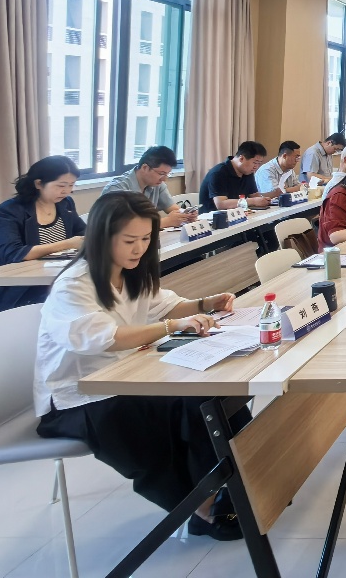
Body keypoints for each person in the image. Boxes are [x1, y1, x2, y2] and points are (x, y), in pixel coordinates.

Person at [34, 191, 246, 540]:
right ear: (102, 237)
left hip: (124, 377)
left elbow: (166, 306)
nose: (139, 249)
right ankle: (201, 509)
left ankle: (235, 481)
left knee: (208, 398)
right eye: (129, 240)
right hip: (79, 398)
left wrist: (208, 303)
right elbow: (107, 338)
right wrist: (171, 326)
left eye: (146, 239)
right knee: (153, 419)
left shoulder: (130, 272)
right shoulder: (73, 285)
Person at [0, 156, 87, 323]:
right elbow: (14, 253)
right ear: (38, 184)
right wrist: (67, 244)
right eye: (61, 186)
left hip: (48, 279)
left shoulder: (65, 204)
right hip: (7, 287)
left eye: (71, 185)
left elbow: (83, 233)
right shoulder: (8, 211)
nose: (67, 191)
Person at [102, 146, 196, 229]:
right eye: (161, 173)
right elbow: (124, 226)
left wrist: (186, 215)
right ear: (145, 168)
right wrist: (166, 221)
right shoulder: (117, 189)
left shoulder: (157, 184)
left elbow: (172, 208)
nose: (164, 179)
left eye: (167, 174)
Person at [198, 141, 274, 212]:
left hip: (238, 215)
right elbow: (221, 204)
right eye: (255, 163)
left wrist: (263, 200)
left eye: (259, 163)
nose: (256, 167)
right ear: (241, 158)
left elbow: (254, 195)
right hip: (213, 217)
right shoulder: (218, 172)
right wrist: (253, 201)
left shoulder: (247, 172)